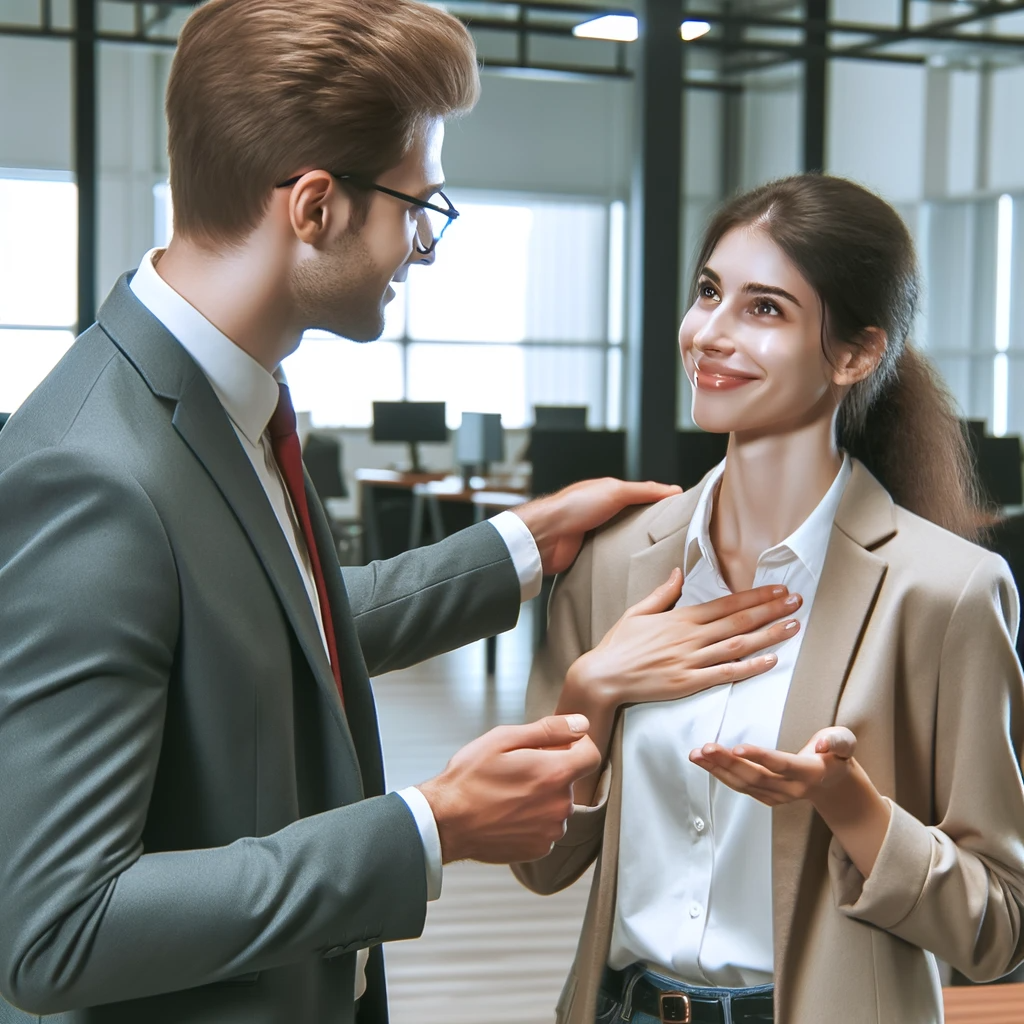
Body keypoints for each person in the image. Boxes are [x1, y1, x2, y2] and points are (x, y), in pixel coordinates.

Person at [0, 3, 801, 1022]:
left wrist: (524, 541)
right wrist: (429, 825)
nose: (424, 245)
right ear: (315, 208)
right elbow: (58, 928)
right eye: (418, 205)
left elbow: (268, 633)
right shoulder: (92, 471)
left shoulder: (224, 400)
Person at [516, 174, 1024, 1024]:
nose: (709, 335)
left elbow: (999, 926)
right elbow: (538, 862)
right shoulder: (613, 563)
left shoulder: (948, 593)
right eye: (710, 292)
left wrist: (852, 808)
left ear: (855, 354)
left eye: (765, 309)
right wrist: (589, 696)